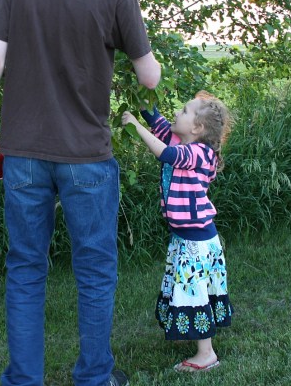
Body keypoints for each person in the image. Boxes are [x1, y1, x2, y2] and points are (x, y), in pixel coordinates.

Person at [0, 0, 161, 386]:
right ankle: (95, 378)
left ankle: (23, 380)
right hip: (86, 159)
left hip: (23, 155)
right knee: (95, 269)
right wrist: (146, 52)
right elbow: (149, 80)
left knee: (26, 268)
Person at [121, 91, 233, 373]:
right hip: (186, 237)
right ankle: (198, 340)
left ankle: (206, 354)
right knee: (189, 290)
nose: (177, 113)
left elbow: (165, 152)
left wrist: (134, 126)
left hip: (197, 240)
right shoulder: (181, 139)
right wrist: (142, 99)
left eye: (184, 111)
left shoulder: (198, 153)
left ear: (197, 128)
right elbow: (158, 122)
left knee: (194, 292)